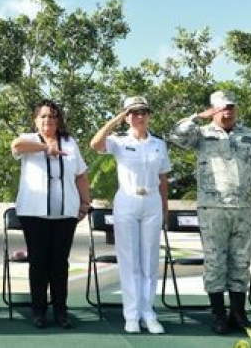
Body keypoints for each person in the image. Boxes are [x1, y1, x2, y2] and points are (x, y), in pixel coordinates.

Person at [168, 90, 251, 334]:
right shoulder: (201, 134)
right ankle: (218, 314)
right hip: (212, 207)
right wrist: (196, 117)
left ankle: (238, 312)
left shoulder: (249, 135)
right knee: (215, 260)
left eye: (231, 106)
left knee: (241, 260)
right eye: (222, 107)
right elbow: (174, 136)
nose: (228, 111)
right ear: (213, 109)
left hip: (243, 207)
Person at [89, 96, 170, 334]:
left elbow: (163, 177)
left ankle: (148, 312)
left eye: (143, 111)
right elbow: (95, 144)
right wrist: (116, 118)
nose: (140, 116)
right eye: (134, 113)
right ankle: (132, 314)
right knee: (130, 259)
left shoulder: (158, 144)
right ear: (127, 117)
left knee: (149, 259)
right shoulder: (119, 141)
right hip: (127, 200)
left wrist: (164, 208)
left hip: (152, 201)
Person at [11, 100, 92, 330]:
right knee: (38, 263)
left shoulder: (70, 142)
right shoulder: (29, 139)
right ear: (36, 120)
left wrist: (85, 204)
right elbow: (16, 147)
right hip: (34, 213)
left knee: (59, 263)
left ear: (59, 120)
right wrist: (46, 147)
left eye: (53, 116)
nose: (49, 120)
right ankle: (38, 311)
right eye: (44, 116)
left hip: (66, 213)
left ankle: (61, 311)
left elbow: (81, 176)